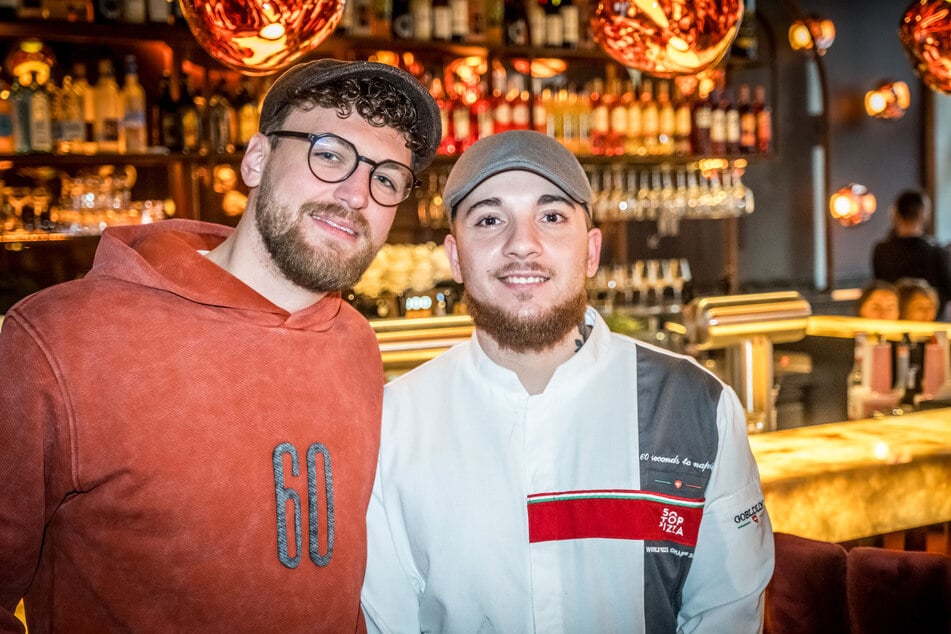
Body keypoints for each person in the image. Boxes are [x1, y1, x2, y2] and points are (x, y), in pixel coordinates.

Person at [0, 59, 440, 633]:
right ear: (256, 159)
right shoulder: (60, 338)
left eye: (386, 179)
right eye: (330, 154)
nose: (357, 194)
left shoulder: (356, 341)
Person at [361, 130, 775, 632]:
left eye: (552, 217)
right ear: (455, 258)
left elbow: (727, 613)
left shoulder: (696, 407)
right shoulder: (395, 423)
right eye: (490, 220)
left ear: (591, 251)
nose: (522, 244)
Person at [872, 189, 951, 320]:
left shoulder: (881, 250)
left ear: (895, 213)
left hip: (893, 321)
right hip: (929, 322)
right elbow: (948, 290)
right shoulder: (935, 251)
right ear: (922, 214)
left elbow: (880, 287)